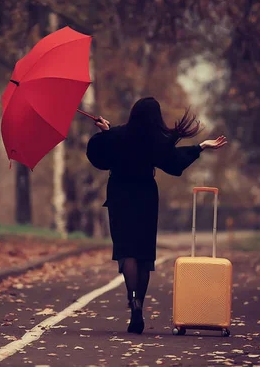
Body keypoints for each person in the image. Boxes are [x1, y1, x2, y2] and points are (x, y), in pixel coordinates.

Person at [86, 97, 228, 334]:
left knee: (126, 251)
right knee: (142, 254)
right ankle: (139, 304)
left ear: (133, 113)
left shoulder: (118, 135)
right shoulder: (156, 141)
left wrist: (105, 133)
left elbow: (98, 155)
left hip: (120, 196)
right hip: (145, 198)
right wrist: (201, 146)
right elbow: (174, 162)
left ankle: (134, 304)